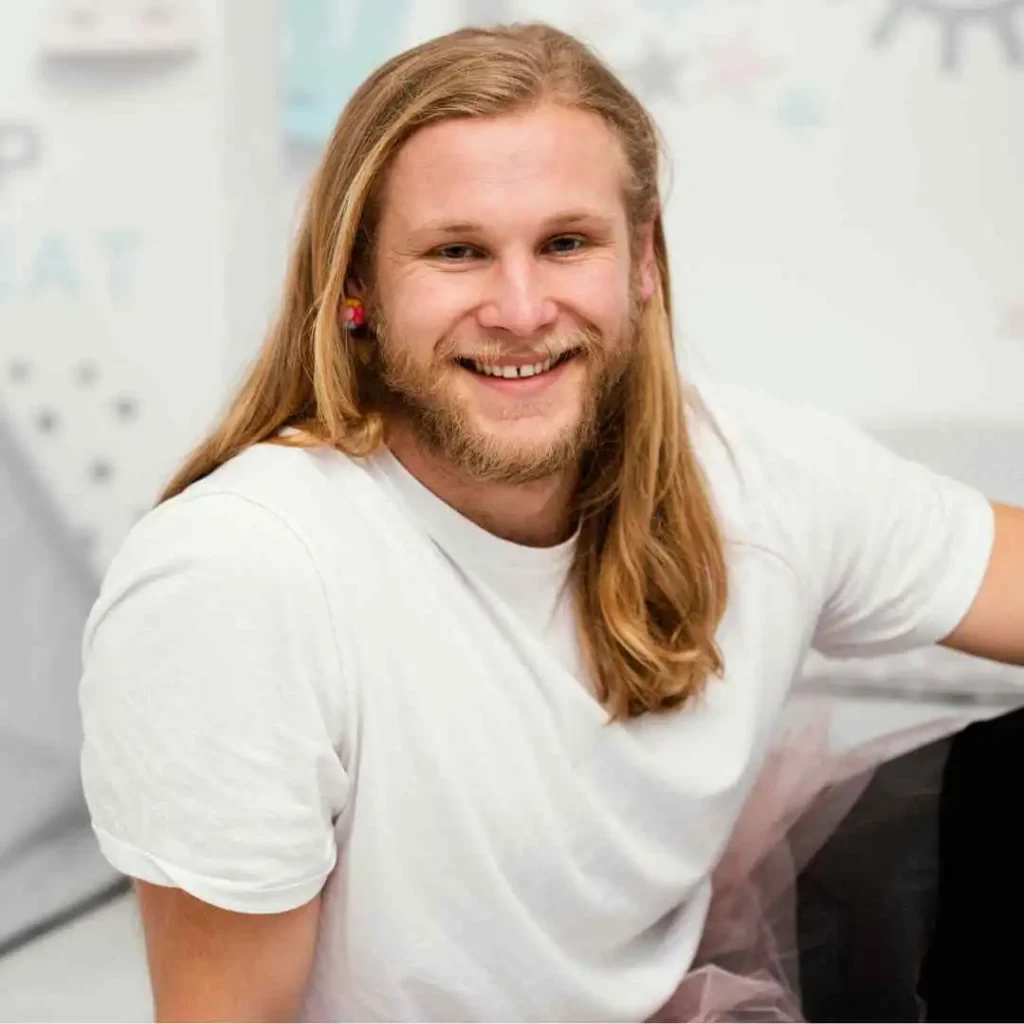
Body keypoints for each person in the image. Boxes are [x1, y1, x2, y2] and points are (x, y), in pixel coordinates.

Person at [78, 22, 1024, 1023]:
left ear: (643, 258)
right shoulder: (235, 577)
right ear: (353, 287)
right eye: (458, 252)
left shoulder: (752, 468)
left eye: (566, 243)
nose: (522, 309)